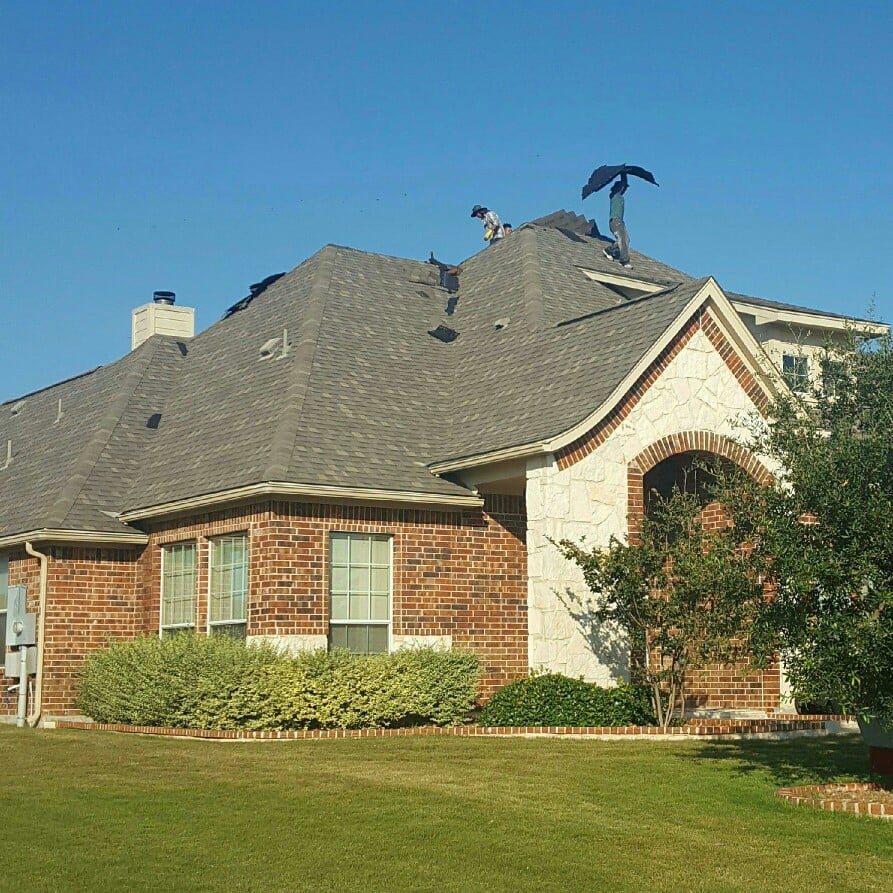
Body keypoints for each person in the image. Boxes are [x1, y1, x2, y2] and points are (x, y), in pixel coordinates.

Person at [602, 175, 632, 268]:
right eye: (623, 188)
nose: (625, 189)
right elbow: (624, 183)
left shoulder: (619, 196)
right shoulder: (615, 195)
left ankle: (609, 250)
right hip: (615, 221)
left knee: (626, 239)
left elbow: (624, 185)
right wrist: (623, 173)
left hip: (620, 221)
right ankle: (624, 261)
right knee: (621, 239)